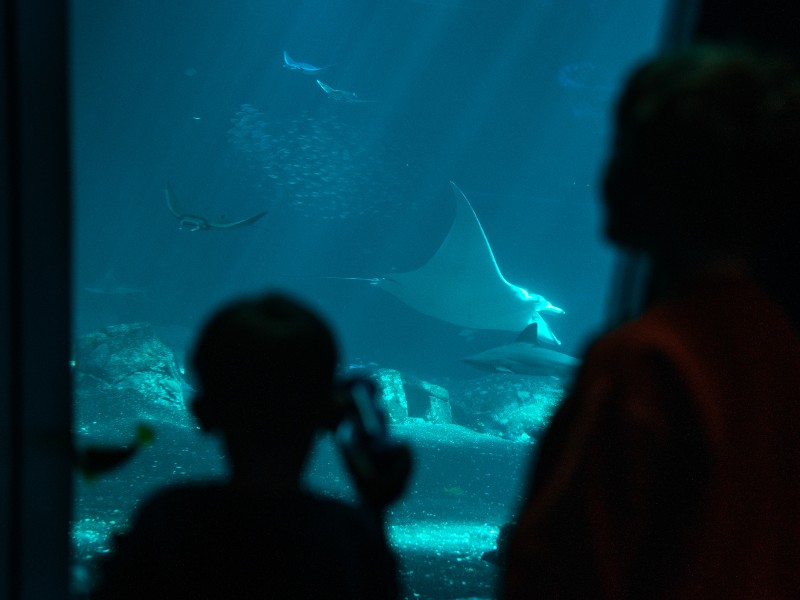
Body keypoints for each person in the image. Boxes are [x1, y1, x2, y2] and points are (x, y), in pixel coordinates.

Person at [503, 45, 800, 599]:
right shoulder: (780, 343)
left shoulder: (642, 359)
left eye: (625, 151)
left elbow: (566, 563)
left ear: (658, 178)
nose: (608, 171)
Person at [93, 293, 405, 599]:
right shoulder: (344, 534)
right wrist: (374, 505)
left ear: (203, 412)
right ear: (328, 415)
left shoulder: (168, 519)